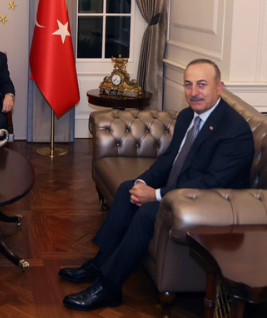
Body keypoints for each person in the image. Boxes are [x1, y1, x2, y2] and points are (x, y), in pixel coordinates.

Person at [59, 59, 254, 311]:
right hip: (185, 190)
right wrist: (143, 183)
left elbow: (211, 182)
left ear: (219, 87)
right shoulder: (188, 116)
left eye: (202, 85)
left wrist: (157, 195)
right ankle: (100, 264)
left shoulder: (234, 130)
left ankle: (108, 287)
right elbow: (169, 160)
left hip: (213, 204)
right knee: (126, 190)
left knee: (148, 212)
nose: (193, 92)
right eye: (188, 84)